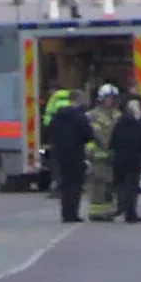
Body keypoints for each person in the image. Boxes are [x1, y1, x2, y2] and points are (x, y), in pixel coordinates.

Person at [45, 88, 92, 223]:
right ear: (79, 100)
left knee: (65, 185)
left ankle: (65, 213)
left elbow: (51, 131)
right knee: (76, 186)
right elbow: (88, 134)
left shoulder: (58, 115)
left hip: (60, 153)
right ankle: (73, 214)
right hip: (76, 154)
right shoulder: (80, 116)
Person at [110, 95, 141, 223]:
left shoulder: (119, 124)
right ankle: (131, 213)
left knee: (120, 185)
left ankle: (121, 207)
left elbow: (113, 141)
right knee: (132, 187)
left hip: (120, 158)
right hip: (135, 159)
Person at [85, 84, 120, 221]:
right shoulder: (92, 115)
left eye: (113, 98)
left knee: (110, 186)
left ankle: (108, 211)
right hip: (98, 156)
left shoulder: (118, 115)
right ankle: (96, 212)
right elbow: (97, 135)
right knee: (98, 185)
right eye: (109, 98)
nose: (111, 101)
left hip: (113, 156)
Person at [41, 88, 71, 199]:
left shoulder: (53, 100)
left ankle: (58, 189)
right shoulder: (70, 98)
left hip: (56, 139)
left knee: (56, 165)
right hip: (70, 141)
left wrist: (45, 139)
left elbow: (47, 121)